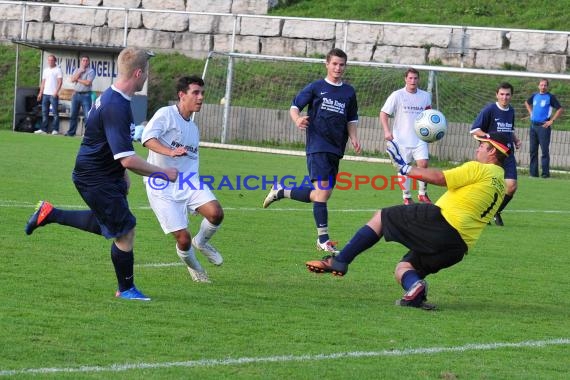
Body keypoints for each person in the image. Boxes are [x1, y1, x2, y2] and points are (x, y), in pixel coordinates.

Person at [25, 47, 178, 301]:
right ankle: (126, 289)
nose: (147, 77)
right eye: (146, 72)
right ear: (138, 73)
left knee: (114, 223)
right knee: (125, 229)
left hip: (105, 174)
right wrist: (163, 173)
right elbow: (128, 159)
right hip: (94, 177)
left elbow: (114, 147)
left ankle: (49, 214)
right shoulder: (115, 105)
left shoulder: (117, 99)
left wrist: (121, 174)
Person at [305, 133, 510, 310]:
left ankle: (340, 261)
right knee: (403, 269)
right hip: (457, 248)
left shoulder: (481, 169)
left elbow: (440, 177)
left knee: (382, 217)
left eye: (482, 145)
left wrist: (405, 168)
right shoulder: (500, 183)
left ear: (492, 152)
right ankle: (415, 290)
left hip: (442, 223)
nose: (478, 148)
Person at [262, 48, 361, 254]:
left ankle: (281, 191)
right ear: (327, 64)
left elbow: (351, 119)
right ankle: (323, 240)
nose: (338, 68)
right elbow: (294, 106)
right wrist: (297, 119)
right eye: (334, 64)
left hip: (336, 148)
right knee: (322, 194)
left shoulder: (348, 92)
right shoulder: (316, 87)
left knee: (320, 194)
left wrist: (354, 137)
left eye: (341, 64)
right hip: (318, 145)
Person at [142, 76, 224, 283]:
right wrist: (169, 152)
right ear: (181, 95)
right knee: (183, 239)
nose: (201, 97)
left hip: (188, 182)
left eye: (202, 93)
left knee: (215, 213)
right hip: (160, 185)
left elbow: (190, 163)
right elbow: (147, 139)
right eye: (195, 93)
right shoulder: (165, 114)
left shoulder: (193, 128)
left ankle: (202, 243)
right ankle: (195, 267)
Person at [470, 82, 521, 226]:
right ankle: (480, 214)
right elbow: (474, 130)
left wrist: (515, 139)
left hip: (508, 153)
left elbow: (508, 129)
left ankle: (495, 211)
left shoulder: (511, 110)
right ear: (496, 95)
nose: (505, 97)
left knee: (511, 186)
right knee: (486, 187)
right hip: (492, 155)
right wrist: (488, 138)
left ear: (511, 96)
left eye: (508, 94)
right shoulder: (489, 110)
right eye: (502, 94)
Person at [380, 67, 432, 205]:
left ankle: (422, 194)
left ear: (419, 80)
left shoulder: (425, 96)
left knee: (423, 164)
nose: (413, 81)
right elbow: (383, 113)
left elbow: (428, 115)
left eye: (415, 78)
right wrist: (387, 131)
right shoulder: (397, 95)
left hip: (419, 139)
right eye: (410, 78)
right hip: (401, 140)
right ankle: (407, 196)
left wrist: (431, 131)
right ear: (405, 79)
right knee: (404, 168)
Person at [524, 79, 564, 178]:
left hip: (544, 127)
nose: (543, 87)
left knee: (544, 151)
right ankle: (533, 174)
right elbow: (526, 103)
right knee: (533, 150)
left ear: (547, 87)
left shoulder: (550, 97)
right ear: (538, 86)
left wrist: (552, 121)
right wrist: (531, 112)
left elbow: (560, 109)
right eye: (541, 85)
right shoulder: (535, 96)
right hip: (533, 126)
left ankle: (545, 174)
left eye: (545, 85)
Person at [66, 55, 96, 137]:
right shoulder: (76, 70)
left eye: (86, 60)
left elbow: (88, 83)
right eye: (83, 60)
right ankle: (71, 133)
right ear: (81, 61)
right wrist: (79, 72)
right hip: (76, 94)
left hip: (86, 95)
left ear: (89, 62)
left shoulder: (91, 71)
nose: (85, 62)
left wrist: (77, 79)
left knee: (87, 116)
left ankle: (87, 134)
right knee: (73, 115)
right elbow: (72, 80)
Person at [35, 54, 63, 135]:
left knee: (55, 113)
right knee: (44, 112)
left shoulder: (58, 70)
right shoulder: (45, 70)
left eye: (52, 60)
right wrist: (40, 93)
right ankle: (44, 129)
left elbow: (60, 82)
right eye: (49, 60)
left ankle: (55, 129)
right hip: (45, 94)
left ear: (55, 61)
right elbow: (43, 82)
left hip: (53, 95)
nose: (50, 61)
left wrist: (56, 92)